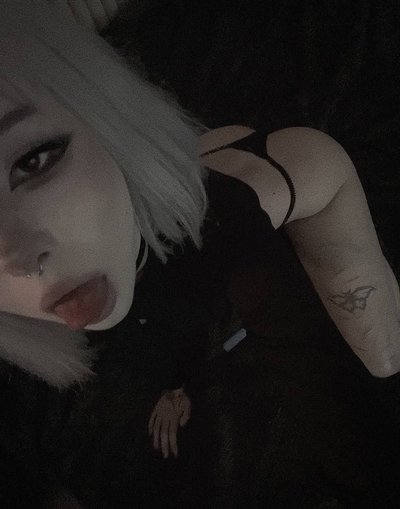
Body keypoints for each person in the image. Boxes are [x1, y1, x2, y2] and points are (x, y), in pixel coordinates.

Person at [0, 1, 399, 506]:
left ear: (108, 116)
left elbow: (315, 172)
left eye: (33, 161)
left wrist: (381, 358)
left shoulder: (240, 202)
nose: (22, 257)